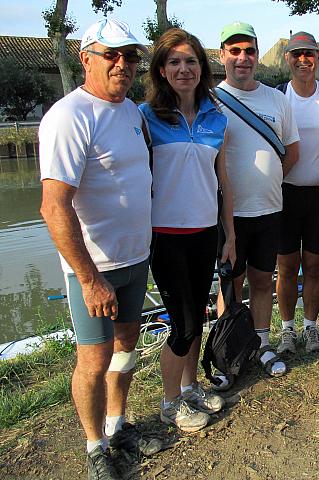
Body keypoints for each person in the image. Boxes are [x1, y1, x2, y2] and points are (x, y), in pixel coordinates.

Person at [39, 18, 151, 480]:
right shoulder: (69, 116)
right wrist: (88, 279)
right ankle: (93, 447)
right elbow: (53, 206)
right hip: (96, 269)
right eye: (112, 55)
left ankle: (117, 423)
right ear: (86, 58)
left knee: (126, 346)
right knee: (93, 357)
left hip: (135, 258)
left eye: (130, 57)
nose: (122, 65)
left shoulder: (130, 111)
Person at [139, 28, 236, 433]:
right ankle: (169, 402)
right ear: (161, 70)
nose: (184, 69)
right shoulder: (145, 118)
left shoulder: (217, 117)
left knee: (198, 314)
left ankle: (190, 385)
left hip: (204, 232)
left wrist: (229, 235)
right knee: (181, 324)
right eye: (174, 61)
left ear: (203, 68)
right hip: (164, 235)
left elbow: (223, 181)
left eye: (191, 61)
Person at [216, 22, 300, 382]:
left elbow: (292, 151)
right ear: (222, 56)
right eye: (234, 51)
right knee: (229, 286)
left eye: (249, 51)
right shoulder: (211, 101)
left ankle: (263, 344)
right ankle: (227, 352)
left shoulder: (277, 100)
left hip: (269, 209)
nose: (243, 58)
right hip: (229, 216)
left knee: (263, 281)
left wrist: (266, 180)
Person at [274, 32, 319, 355]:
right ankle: (287, 330)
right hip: (284, 194)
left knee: (314, 266)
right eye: (297, 54)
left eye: (309, 54)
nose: (303, 60)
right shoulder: (277, 97)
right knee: (286, 267)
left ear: (317, 57)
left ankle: (311, 328)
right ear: (287, 59)